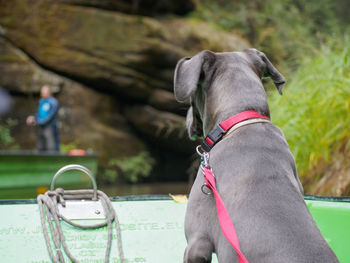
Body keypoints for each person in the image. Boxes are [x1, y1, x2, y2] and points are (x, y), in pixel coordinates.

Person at [26, 85, 60, 152]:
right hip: (40, 127)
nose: (43, 93)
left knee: (51, 147)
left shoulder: (54, 102)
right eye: (42, 92)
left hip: (49, 128)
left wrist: (38, 122)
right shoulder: (41, 101)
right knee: (40, 146)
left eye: (44, 92)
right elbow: (38, 114)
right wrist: (32, 118)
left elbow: (50, 116)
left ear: (49, 92)